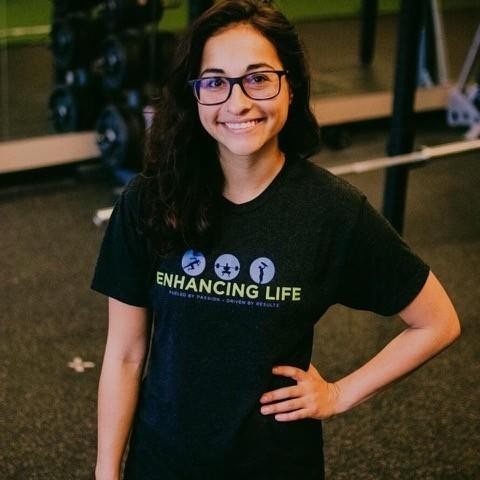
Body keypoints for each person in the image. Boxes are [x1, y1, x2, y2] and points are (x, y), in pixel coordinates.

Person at [91, 1, 460, 479]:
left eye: (259, 78)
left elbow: (437, 321)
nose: (237, 102)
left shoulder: (330, 210)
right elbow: (124, 355)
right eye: (215, 82)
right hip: (162, 463)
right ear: (194, 94)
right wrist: (106, 471)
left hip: (276, 465)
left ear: (291, 86)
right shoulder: (149, 201)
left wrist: (340, 394)